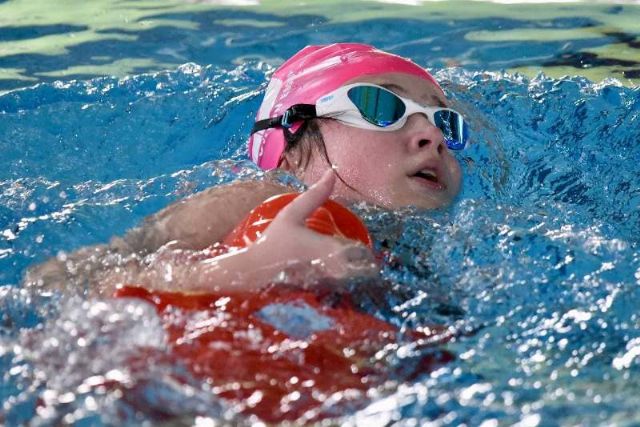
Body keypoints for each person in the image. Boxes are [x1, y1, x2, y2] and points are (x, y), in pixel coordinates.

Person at [24, 43, 466, 296]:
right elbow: (55, 283)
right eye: (380, 106)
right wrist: (235, 270)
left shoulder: (426, 249)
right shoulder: (255, 199)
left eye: (445, 121)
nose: (433, 136)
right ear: (291, 150)